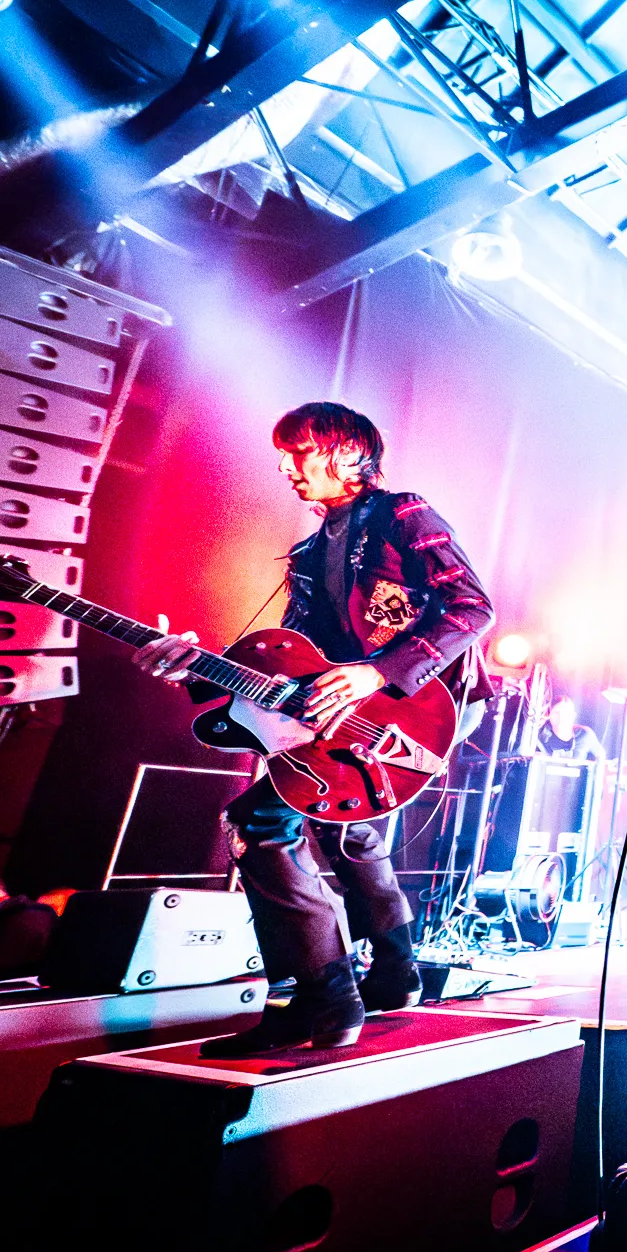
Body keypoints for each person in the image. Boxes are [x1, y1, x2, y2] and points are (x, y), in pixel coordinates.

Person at [133, 403, 495, 1054]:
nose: (285, 467)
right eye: (283, 455)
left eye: (299, 451)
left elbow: (472, 608)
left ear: (349, 453)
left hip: (424, 701)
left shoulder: (402, 515)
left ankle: (323, 999)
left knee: (260, 822)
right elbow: (298, 657)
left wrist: (377, 673)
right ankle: (396, 972)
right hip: (355, 708)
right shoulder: (306, 554)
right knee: (342, 819)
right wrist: (194, 668)